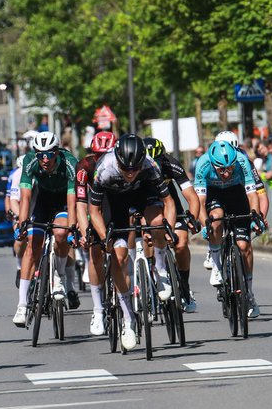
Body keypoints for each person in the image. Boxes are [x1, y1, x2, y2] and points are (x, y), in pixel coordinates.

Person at [88, 134, 175, 349]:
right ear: (117, 159)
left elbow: (169, 202)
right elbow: (94, 211)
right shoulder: (104, 169)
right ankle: (129, 319)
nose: (129, 173)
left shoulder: (149, 165)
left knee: (157, 222)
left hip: (141, 193)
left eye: (134, 168)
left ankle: (161, 270)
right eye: (125, 168)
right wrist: (104, 237)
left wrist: (169, 230)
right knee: (118, 257)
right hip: (113, 201)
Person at [13, 131, 78, 326]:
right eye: (40, 154)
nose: (45, 159)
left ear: (57, 152)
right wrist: (22, 223)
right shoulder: (30, 161)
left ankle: (59, 276)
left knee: (60, 233)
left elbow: (72, 200)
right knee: (33, 245)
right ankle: (22, 305)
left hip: (63, 202)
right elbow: (25, 197)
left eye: (49, 154)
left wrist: (72, 228)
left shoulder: (69, 163)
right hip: (41, 200)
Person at [195, 140, 264, 318]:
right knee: (216, 219)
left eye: (230, 168)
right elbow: (200, 202)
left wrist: (255, 216)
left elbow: (252, 194)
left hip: (236, 193)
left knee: (243, 246)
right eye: (221, 170)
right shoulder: (203, 164)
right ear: (212, 164)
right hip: (214, 195)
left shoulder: (241, 161)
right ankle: (217, 266)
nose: (226, 173)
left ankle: (249, 292)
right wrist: (205, 225)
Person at [145, 136, 202, 313]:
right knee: (149, 238)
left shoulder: (171, 164)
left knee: (181, 243)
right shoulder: (138, 168)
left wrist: (192, 217)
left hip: (172, 205)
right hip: (147, 204)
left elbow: (191, 196)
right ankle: (150, 279)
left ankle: (184, 286)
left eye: (158, 162)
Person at [75, 130, 116, 335]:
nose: (102, 160)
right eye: (98, 155)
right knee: (94, 253)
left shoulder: (120, 164)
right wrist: (84, 233)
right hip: (95, 207)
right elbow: (81, 205)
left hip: (117, 205)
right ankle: (98, 309)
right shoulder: (84, 167)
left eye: (107, 154)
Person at [4, 154, 25, 287]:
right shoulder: (15, 174)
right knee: (19, 236)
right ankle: (19, 266)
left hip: (34, 208)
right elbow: (9, 197)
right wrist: (11, 213)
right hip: (18, 206)